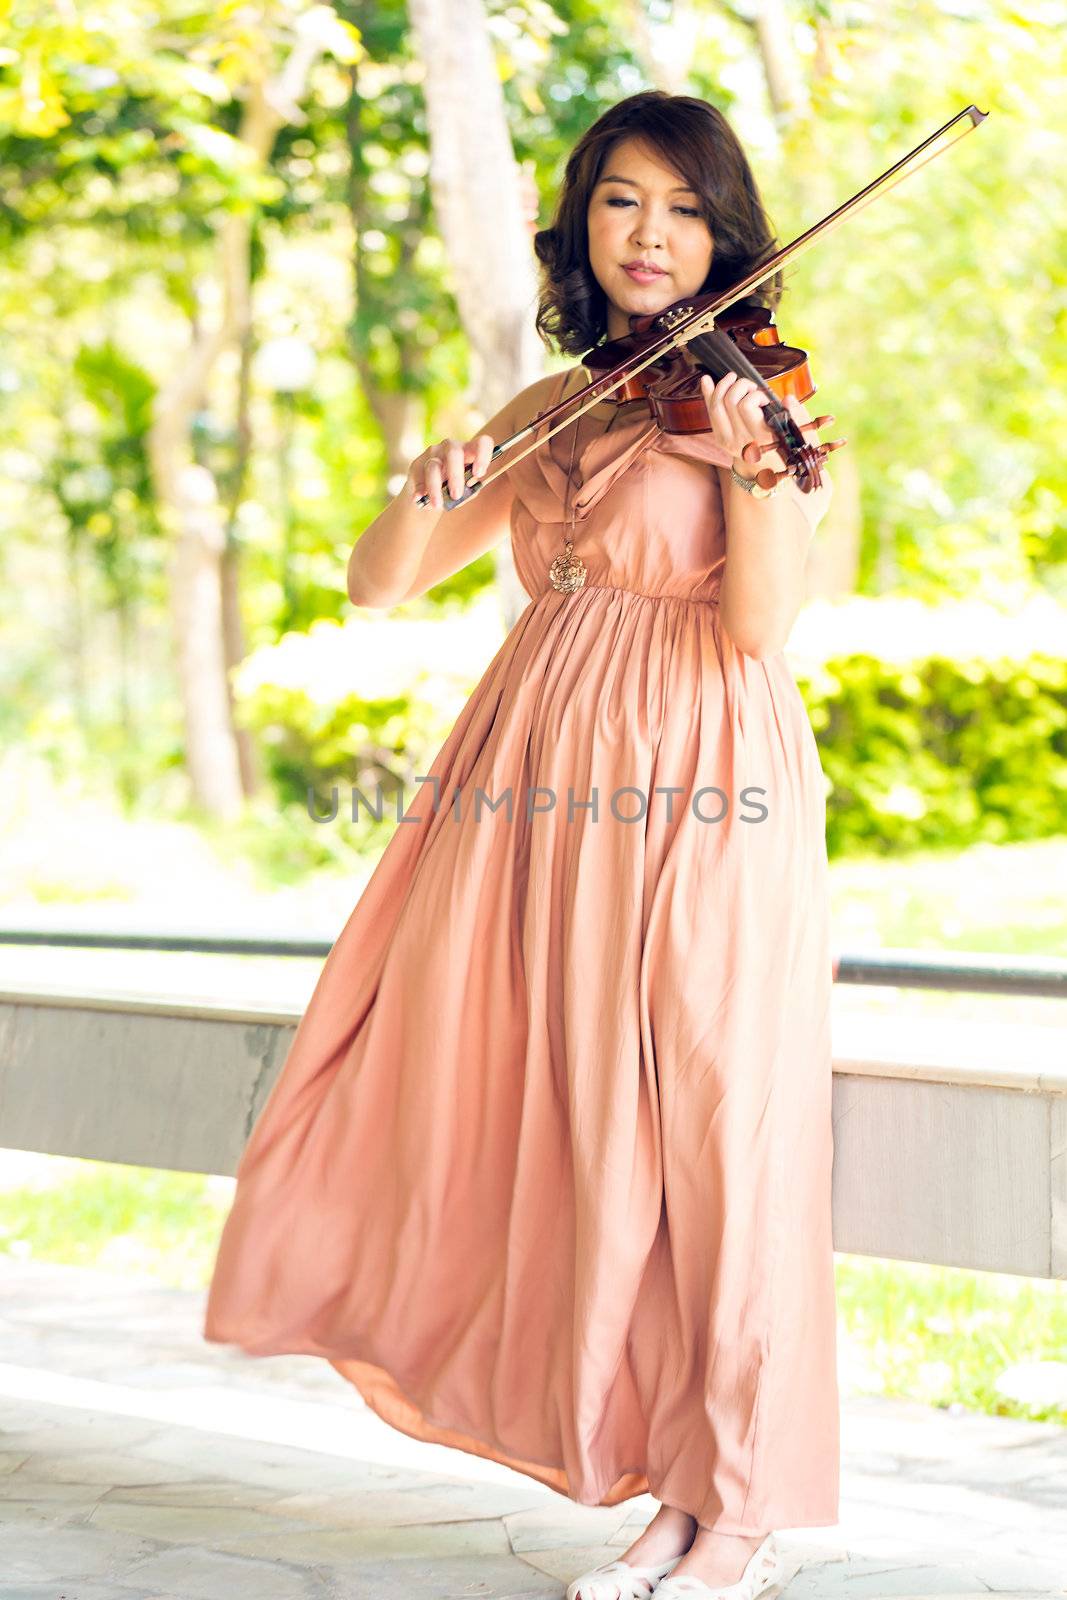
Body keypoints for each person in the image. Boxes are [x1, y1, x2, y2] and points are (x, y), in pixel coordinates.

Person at [203, 88, 840, 1600]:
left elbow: (756, 629)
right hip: (533, 784)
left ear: (725, 233)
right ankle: (672, 1493)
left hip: (700, 775)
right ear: (582, 221)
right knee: (584, 1129)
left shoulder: (777, 406)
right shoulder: (553, 408)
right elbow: (377, 587)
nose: (653, 236)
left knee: (714, 1128)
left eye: (685, 210)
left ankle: (739, 1505)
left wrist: (756, 472)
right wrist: (417, 499)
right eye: (623, 201)